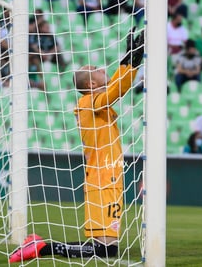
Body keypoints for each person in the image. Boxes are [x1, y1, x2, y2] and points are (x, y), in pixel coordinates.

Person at [9, 29, 144, 263]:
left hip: (108, 178)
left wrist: (128, 60)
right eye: (98, 70)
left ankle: (40, 247)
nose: (104, 70)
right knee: (105, 250)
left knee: (107, 250)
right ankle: (41, 248)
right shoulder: (88, 102)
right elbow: (117, 91)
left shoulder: (94, 103)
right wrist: (131, 62)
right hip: (103, 180)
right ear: (91, 83)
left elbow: (115, 88)